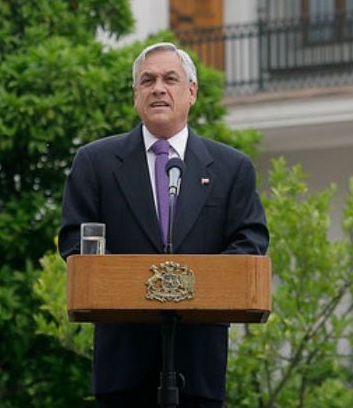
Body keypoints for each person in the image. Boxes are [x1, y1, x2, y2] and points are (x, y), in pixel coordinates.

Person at [59, 42, 269, 408]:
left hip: (198, 361)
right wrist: (124, 278)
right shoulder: (96, 162)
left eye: (170, 79)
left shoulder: (231, 168)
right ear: (136, 95)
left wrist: (196, 282)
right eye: (147, 80)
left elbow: (250, 241)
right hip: (123, 363)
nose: (158, 88)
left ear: (191, 92)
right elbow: (75, 239)